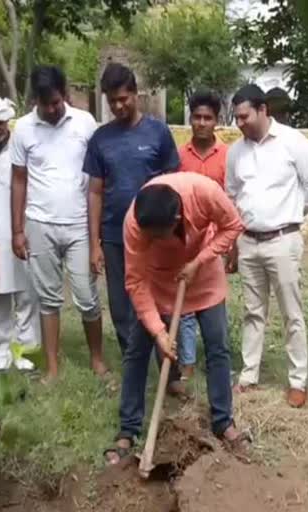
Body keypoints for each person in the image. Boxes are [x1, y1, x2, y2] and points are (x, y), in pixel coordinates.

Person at [104, 172, 249, 464]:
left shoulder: (204, 192)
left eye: (159, 235)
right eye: (150, 236)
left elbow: (233, 226)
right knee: (137, 351)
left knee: (217, 346)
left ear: (177, 217)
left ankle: (224, 423)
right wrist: (159, 331)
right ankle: (128, 430)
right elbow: (135, 282)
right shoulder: (135, 223)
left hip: (203, 273)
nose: (154, 240)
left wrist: (199, 261)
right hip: (157, 282)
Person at [83, 63, 188, 395]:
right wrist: (94, 244)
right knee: (122, 308)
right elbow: (96, 191)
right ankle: (138, 373)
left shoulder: (158, 133)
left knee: (160, 304)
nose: (118, 106)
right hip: (115, 238)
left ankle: (170, 376)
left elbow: (176, 185)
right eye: (112, 101)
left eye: (123, 99)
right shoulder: (100, 139)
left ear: (135, 93)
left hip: (154, 237)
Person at [226, 84, 308, 408]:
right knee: (252, 312)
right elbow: (231, 196)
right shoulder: (235, 152)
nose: (239, 123)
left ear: (262, 110)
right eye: (236, 118)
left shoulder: (292, 143)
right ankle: (249, 375)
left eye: (244, 116)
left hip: (283, 241)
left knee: (291, 313)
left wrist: (294, 213)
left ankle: (298, 381)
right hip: (249, 242)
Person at [10, 66, 108, 381]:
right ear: (34, 100)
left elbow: (98, 179)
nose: (51, 109)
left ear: (64, 94)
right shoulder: (23, 129)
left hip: (80, 223)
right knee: (48, 298)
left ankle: (97, 360)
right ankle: (52, 368)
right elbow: (18, 181)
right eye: (44, 103)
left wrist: (97, 238)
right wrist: (17, 230)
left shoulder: (85, 123)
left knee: (86, 295)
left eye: (55, 102)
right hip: (39, 223)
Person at [0, 95, 40, 371]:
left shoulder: (21, 145)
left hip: (24, 229)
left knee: (28, 292)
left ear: (7, 122)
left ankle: (25, 349)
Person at [176, 89, 229, 378]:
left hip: (216, 241)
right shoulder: (180, 156)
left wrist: (231, 246)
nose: (201, 123)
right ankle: (186, 362)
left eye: (207, 118)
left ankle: (216, 358)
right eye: (196, 117)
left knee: (213, 300)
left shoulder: (228, 156)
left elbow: (231, 200)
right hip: (185, 240)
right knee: (184, 300)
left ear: (216, 121)